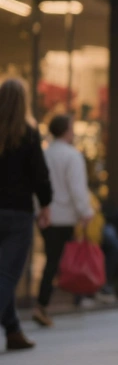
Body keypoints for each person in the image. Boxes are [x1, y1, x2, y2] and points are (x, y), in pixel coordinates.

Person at [0, 79, 50, 351]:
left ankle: (13, 331)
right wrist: (46, 205)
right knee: (7, 275)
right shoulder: (29, 133)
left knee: (3, 274)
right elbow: (40, 176)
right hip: (18, 213)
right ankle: (12, 330)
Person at [32, 114, 96, 326]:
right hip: (64, 216)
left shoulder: (44, 153)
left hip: (45, 215)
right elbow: (77, 188)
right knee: (60, 260)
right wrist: (85, 212)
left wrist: (39, 210)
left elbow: (36, 185)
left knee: (53, 259)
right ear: (67, 130)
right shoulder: (71, 156)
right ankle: (46, 303)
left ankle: (46, 303)